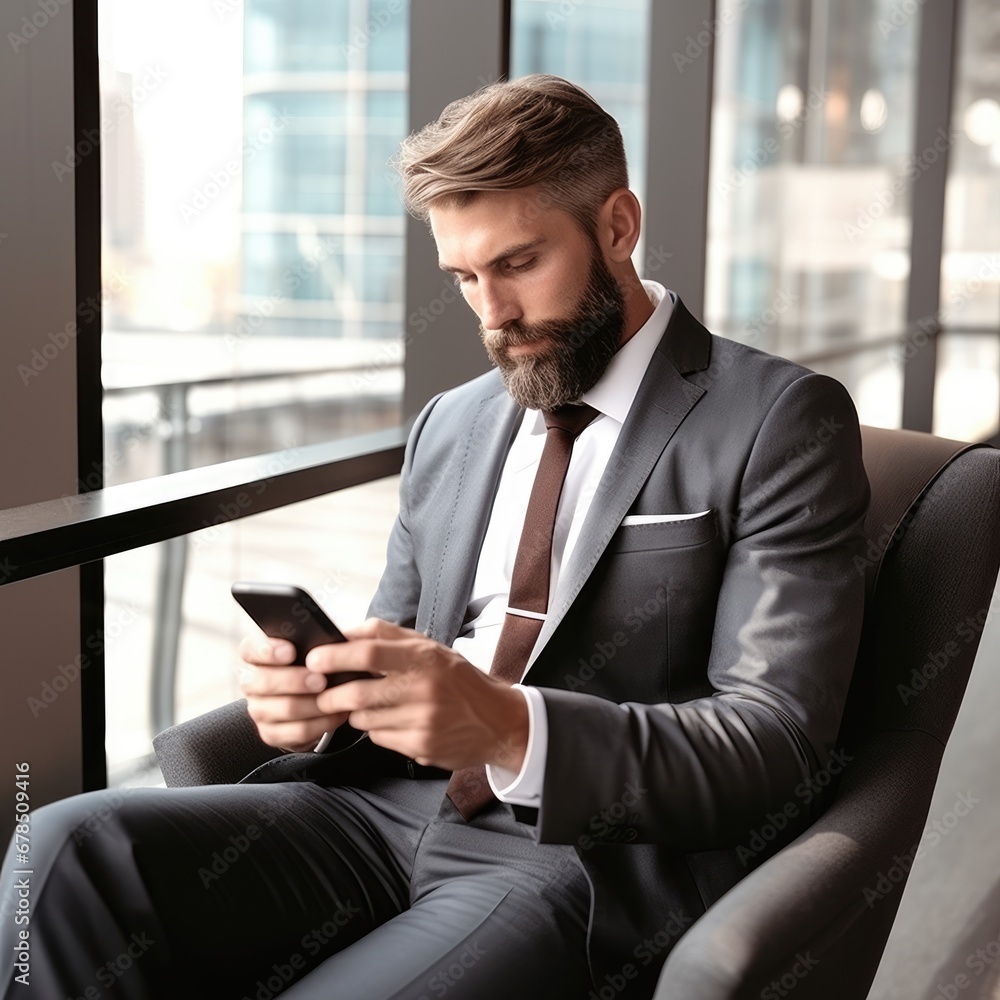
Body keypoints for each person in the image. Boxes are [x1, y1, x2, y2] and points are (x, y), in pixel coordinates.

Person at [0, 75, 870, 1000]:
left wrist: (507, 725)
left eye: (519, 263)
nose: (492, 314)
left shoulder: (778, 419)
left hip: (576, 856)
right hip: (374, 807)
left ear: (617, 226)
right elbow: (400, 637)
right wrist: (322, 701)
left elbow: (774, 742)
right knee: (55, 852)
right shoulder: (451, 424)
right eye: (464, 278)